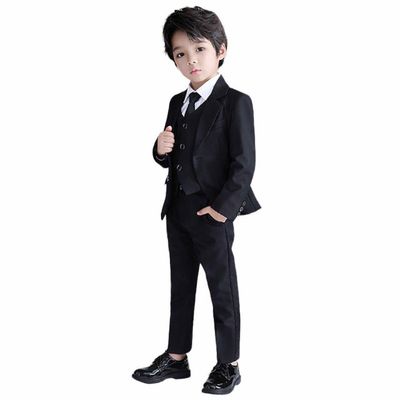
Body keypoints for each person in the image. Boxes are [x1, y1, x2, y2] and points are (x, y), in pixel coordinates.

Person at [132, 6, 261, 395]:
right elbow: (174, 153)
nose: (191, 60)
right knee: (181, 285)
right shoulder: (177, 102)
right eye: (180, 53)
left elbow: (244, 164)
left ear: (221, 50)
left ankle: (228, 364)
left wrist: (222, 210)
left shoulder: (235, 102)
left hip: (213, 212)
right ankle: (177, 357)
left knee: (222, 289)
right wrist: (159, 149)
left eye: (200, 49)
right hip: (177, 210)